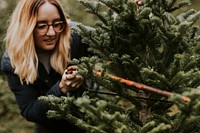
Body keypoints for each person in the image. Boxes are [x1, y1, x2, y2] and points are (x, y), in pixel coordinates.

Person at [1, 0, 89, 133]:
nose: (52, 33)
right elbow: (29, 110)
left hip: (90, 122)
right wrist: (61, 88)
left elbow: (113, 36)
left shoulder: (75, 35)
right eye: (42, 26)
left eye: (57, 24)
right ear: (26, 27)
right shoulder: (12, 61)